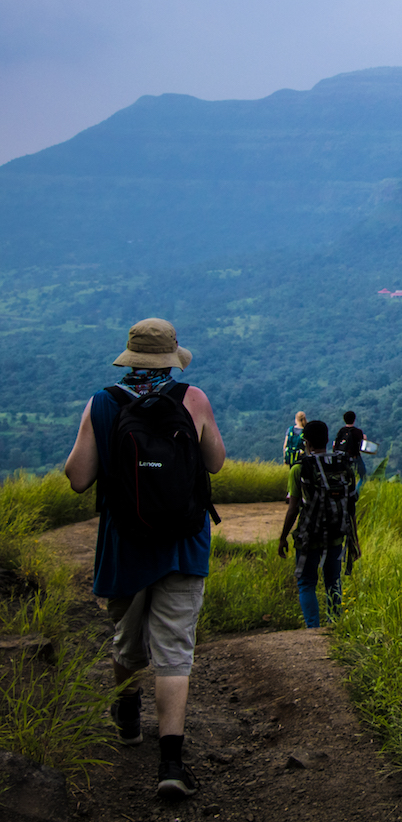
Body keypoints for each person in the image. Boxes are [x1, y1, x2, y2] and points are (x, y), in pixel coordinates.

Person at [64, 318, 225, 800]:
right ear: (173, 356)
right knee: (175, 652)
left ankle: (129, 711)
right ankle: (171, 764)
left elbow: (77, 478)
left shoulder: (102, 403)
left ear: (130, 355)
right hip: (182, 544)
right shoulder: (192, 398)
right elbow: (215, 462)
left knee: (126, 642)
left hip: (124, 545)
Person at [278, 420, 360, 629]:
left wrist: (283, 537)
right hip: (336, 532)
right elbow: (350, 506)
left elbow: (293, 509)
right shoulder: (342, 465)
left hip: (309, 535)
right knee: (333, 582)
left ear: (305, 441)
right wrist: (354, 539)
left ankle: (312, 630)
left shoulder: (299, 469)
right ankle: (335, 626)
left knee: (307, 583)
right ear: (327, 439)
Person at [333, 411, 367, 494]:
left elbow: (335, 444)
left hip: (342, 459)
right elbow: (362, 446)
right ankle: (356, 493)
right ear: (354, 420)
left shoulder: (341, 431)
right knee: (363, 477)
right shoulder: (358, 432)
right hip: (355, 457)